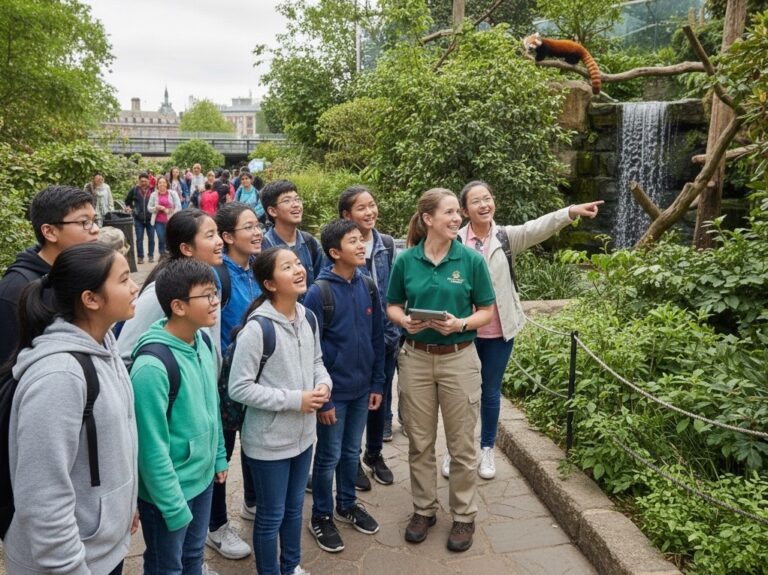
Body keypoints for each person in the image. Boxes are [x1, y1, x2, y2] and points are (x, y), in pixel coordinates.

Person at [3, 242, 139, 574]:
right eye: (123, 280)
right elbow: (43, 497)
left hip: (101, 546)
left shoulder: (104, 342)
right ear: (90, 299)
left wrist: (125, 505)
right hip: (68, 562)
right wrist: (70, 567)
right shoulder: (58, 377)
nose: (135, 286)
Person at [453, 181, 603, 479]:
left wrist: (570, 212)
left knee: (490, 392)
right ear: (464, 210)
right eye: (476, 201)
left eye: (488, 198)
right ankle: (457, 451)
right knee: (461, 394)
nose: (484, 205)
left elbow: (538, 227)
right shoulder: (454, 240)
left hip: (498, 331)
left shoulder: (506, 237)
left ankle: (486, 450)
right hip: (463, 331)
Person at [386, 188, 496, 552]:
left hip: (459, 358)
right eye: (449, 213)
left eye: (457, 214)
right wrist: (405, 321)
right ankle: (424, 509)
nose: (457, 219)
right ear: (427, 218)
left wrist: (461, 324)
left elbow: (486, 311)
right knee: (419, 441)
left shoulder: (471, 261)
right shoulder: (406, 261)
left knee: (463, 445)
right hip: (415, 358)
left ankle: (464, 516)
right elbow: (393, 305)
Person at [228, 247, 332, 575]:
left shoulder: (308, 317)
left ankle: (291, 566)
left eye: (298, 263)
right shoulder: (258, 329)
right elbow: (239, 388)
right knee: (270, 515)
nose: (298, 270)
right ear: (270, 284)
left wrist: (324, 385)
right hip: (268, 442)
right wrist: (295, 400)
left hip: (303, 436)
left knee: (293, 510)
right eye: (287, 267)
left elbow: (317, 362)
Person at [130, 258, 228, 574]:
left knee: (192, 557)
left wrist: (219, 456)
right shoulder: (152, 367)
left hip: (201, 482)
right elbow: (151, 449)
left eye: (216, 293)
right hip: (167, 495)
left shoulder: (200, 340)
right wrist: (172, 505)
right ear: (179, 306)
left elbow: (211, 404)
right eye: (207, 295)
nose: (216, 302)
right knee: (165, 566)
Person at [303, 219, 384, 553]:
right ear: (335, 252)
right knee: (328, 456)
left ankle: (347, 504)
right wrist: (323, 401)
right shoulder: (317, 293)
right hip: (333, 394)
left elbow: (377, 337)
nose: (361, 245)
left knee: (351, 452)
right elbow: (309, 351)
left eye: (361, 240)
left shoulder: (368, 286)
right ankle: (321, 515)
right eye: (353, 241)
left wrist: (378, 381)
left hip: (363, 388)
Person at [205, 202, 263, 559]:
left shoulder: (258, 268)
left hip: (256, 378)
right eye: (248, 228)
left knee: (255, 442)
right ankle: (216, 526)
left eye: (258, 225)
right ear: (228, 237)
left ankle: (253, 502)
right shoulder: (216, 276)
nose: (257, 232)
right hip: (223, 385)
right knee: (220, 456)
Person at [338, 185, 399, 489]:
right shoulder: (338, 247)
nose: (370, 212)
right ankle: (350, 461)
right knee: (353, 402)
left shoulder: (386, 244)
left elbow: (394, 293)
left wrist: (393, 332)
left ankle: (374, 454)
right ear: (347, 215)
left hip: (385, 337)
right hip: (352, 341)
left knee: (380, 397)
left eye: (372, 205)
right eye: (362, 208)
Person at [0, 185, 99, 366]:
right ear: (50, 232)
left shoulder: (80, 273)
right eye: (84, 222)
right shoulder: (14, 291)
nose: (95, 229)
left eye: (94, 220)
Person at [117, 209, 224, 365]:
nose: (219, 241)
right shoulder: (158, 291)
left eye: (217, 233)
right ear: (186, 248)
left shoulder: (212, 279)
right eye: (210, 235)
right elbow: (125, 355)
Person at [260, 180, 324, 299]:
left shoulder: (310, 242)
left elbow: (321, 283)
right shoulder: (264, 247)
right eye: (287, 201)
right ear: (272, 211)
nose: (296, 204)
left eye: (297, 199)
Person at [124, 172, 155, 264]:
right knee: (139, 239)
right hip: (138, 219)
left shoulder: (153, 190)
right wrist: (130, 208)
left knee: (151, 238)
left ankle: (151, 256)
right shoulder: (134, 190)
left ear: (148, 181)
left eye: (145, 181)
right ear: (139, 181)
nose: (143, 183)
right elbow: (127, 201)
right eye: (141, 181)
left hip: (151, 218)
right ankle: (140, 257)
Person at [149, 175, 182, 256]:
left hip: (170, 220)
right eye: (160, 183)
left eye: (164, 182)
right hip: (158, 221)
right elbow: (149, 208)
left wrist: (169, 211)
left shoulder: (172, 193)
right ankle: (162, 254)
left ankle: (171, 255)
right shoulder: (153, 194)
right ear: (157, 185)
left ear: (167, 184)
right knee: (161, 238)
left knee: (169, 238)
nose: (162, 184)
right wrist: (156, 208)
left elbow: (179, 207)